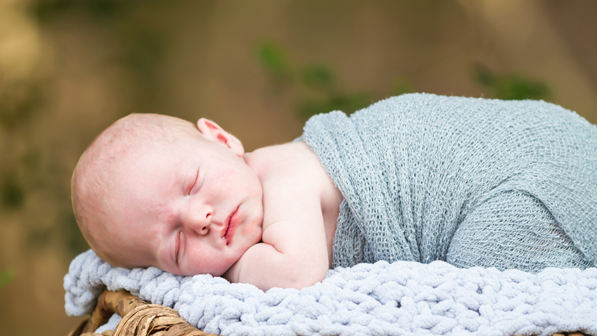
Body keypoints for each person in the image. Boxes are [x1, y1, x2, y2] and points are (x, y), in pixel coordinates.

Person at [71, 93, 597, 291]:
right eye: (176, 246)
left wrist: (229, 271)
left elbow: (297, 276)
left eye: (191, 185)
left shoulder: (287, 174)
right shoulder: (248, 195)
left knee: (489, 272)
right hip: (532, 171)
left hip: (532, 175)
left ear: (224, 140)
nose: (200, 219)